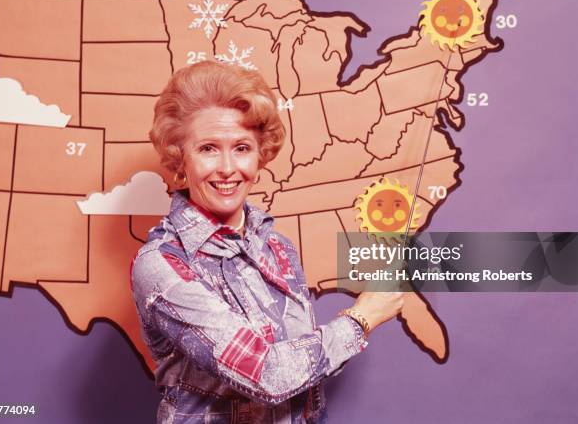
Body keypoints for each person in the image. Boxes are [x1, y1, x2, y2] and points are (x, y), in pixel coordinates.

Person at [130, 61, 403, 423]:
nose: (227, 168)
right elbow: (266, 375)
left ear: (261, 155)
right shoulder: (162, 264)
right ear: (181, 157)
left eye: (242, 148)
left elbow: (303, 367)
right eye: (209, 149)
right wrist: (362, 318)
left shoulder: (277, 247)